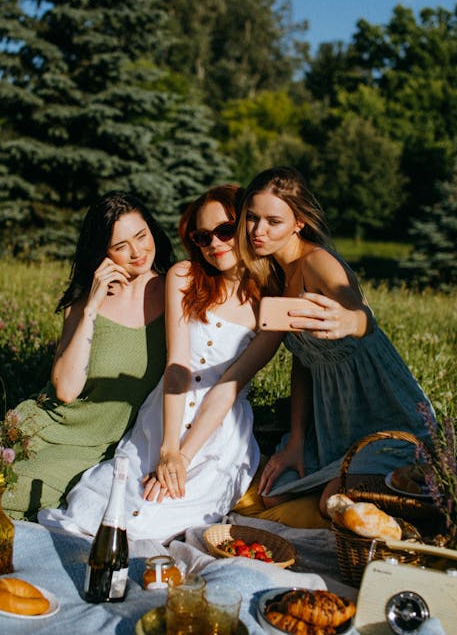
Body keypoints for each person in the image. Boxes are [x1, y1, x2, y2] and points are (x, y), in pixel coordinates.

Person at [39, 185, 282, 543]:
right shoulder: (184, 276)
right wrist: (168, 446)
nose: (214, 243)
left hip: (218, 430)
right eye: (203, 236)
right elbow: (177, 364)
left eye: (225, 230)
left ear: (245, 225)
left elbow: (227, 388)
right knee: (102, 503)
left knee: (160, 518)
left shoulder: (272, 304)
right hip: (166, 413)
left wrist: (182, 457)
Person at [235, 166, 435, 521]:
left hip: (385, 414)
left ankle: (422, 489)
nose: (258, 231)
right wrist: (296, 438)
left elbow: (357, 310)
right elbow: (303, 363)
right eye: (252, 218)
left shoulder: (318, 262)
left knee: (336, 501)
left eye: (273, 221)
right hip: (331, 422)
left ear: (298, 223)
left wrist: (352, 321)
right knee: (273, 494)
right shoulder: (277, 275)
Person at [0, 191, 174, 520]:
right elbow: (65, 391)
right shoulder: (84, 302)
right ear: (103, 253)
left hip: (92, 445)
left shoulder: (175, 292)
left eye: (141, 236)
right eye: (120, 246)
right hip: (40, 424)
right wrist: (91, 308)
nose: (136, 252)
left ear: (152, 230)